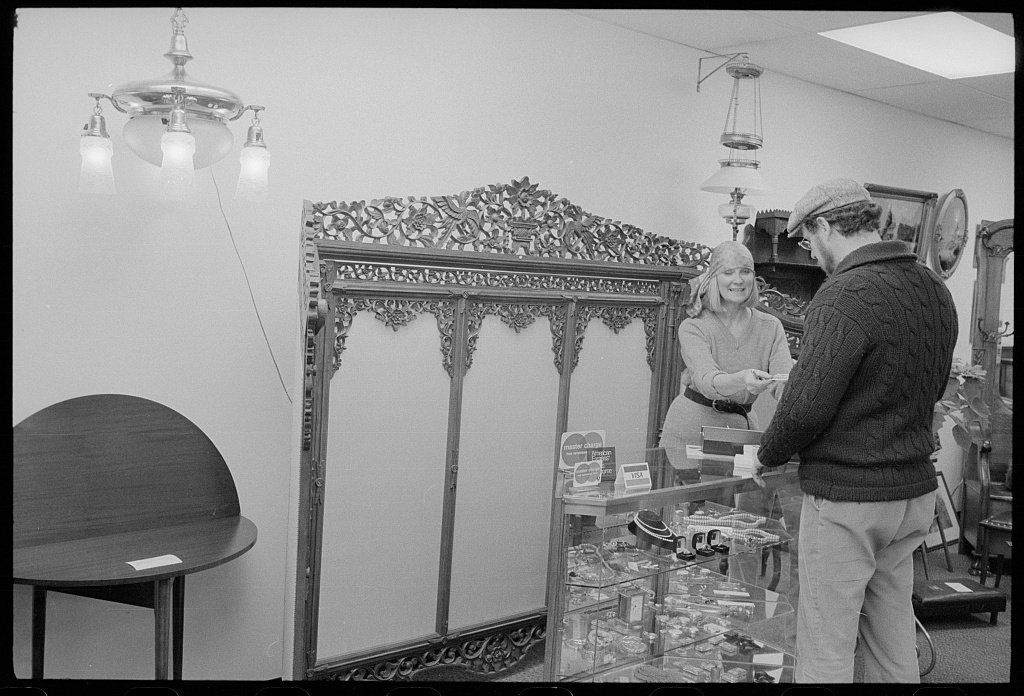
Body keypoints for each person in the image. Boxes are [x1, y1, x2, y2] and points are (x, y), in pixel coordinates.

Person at [752, 178, 958, 683]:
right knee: (892, 644)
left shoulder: (842, 294)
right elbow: (930, 385)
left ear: (824, 226)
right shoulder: (933, 287)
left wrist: (766, 455)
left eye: (807, 239)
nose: (813, 252)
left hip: (849, 500)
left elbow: (804, 407)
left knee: (826, 646)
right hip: (912, 495)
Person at [660, 240, 792, 456]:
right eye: (728, 272)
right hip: (690, 434)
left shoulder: (771, 326)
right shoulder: (694, 326)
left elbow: (784, 383)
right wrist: (742, 379)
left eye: (745, 271)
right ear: (714, 279)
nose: (738, 280)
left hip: (743, 432)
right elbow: (706, 381)